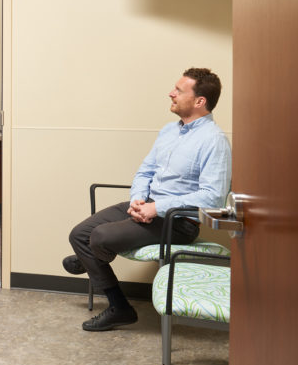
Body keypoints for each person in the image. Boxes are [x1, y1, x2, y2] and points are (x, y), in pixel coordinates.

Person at [64, 68, 232, 331]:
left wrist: (158, 207)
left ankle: (98, 272)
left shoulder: (214, 141)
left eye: (179, 90)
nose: (171, 93)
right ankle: (116, 299)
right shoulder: (168, 131)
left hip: (178, 222)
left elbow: (213, 197)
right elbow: (146, 171)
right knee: (78, 234)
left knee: (98, 238)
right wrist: (139, 199)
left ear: (200, 101)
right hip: (148, 204)